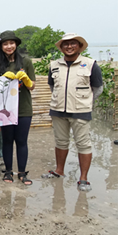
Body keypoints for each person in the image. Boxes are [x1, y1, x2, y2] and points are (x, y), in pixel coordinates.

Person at [43, 33, 103, 192]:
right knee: (60, 142)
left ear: (79, 46)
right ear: (61, 47)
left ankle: (83, 178)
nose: (69, 47)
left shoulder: (90, 64)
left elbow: (97, 89)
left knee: (83, 145)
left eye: (73, 44)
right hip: (58, 110)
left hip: (80, 111)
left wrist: (84, 101)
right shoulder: (54, 65)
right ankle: (59, 171)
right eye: (65, 44)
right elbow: (52, 86)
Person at [0, 30, 36, 185]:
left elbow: (32, 86)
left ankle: (22, 172)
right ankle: (8, 171)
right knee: (7, 141)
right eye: (5, 44)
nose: (9, 46)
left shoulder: (26, 62)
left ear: (16, 44)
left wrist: (25, 79)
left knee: (21, 141)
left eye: (11, 43)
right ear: (1, 46)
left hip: (23, 108)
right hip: (5, 108)